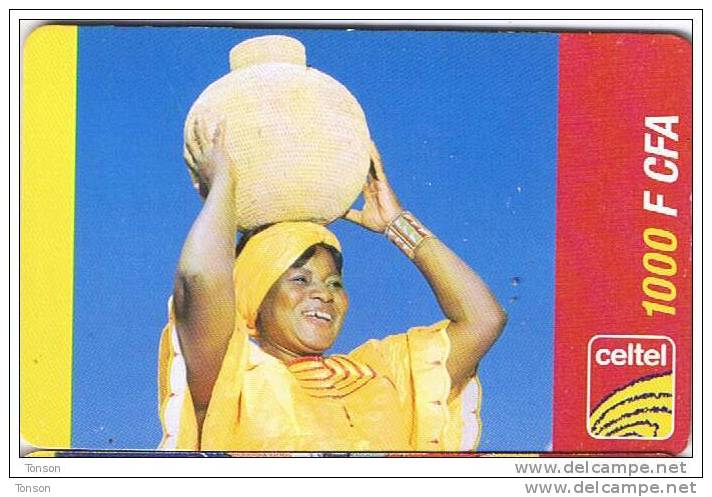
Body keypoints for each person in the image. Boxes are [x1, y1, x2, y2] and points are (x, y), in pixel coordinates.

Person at [157, 125, 507, 452]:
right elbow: (199, 279)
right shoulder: (232, 379)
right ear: (254, 299)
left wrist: (396, 223)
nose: (325, 294)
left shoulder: (384, 374)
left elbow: (483, 319)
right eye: (300, 279)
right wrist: (224, 186)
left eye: (334, 283)